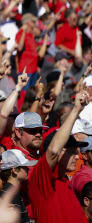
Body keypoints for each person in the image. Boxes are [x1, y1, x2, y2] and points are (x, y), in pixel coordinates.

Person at [27, 91, 89, 223]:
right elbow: (54, 150)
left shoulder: (66, 184)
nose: (77, 157)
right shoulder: (42, 179)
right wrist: (76, 110)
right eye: (71, 152)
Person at [0, 150, 36, 223]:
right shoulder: (10, 194)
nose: (28, 169)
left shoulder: (12, 191)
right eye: (24, 166)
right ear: (15, 170)